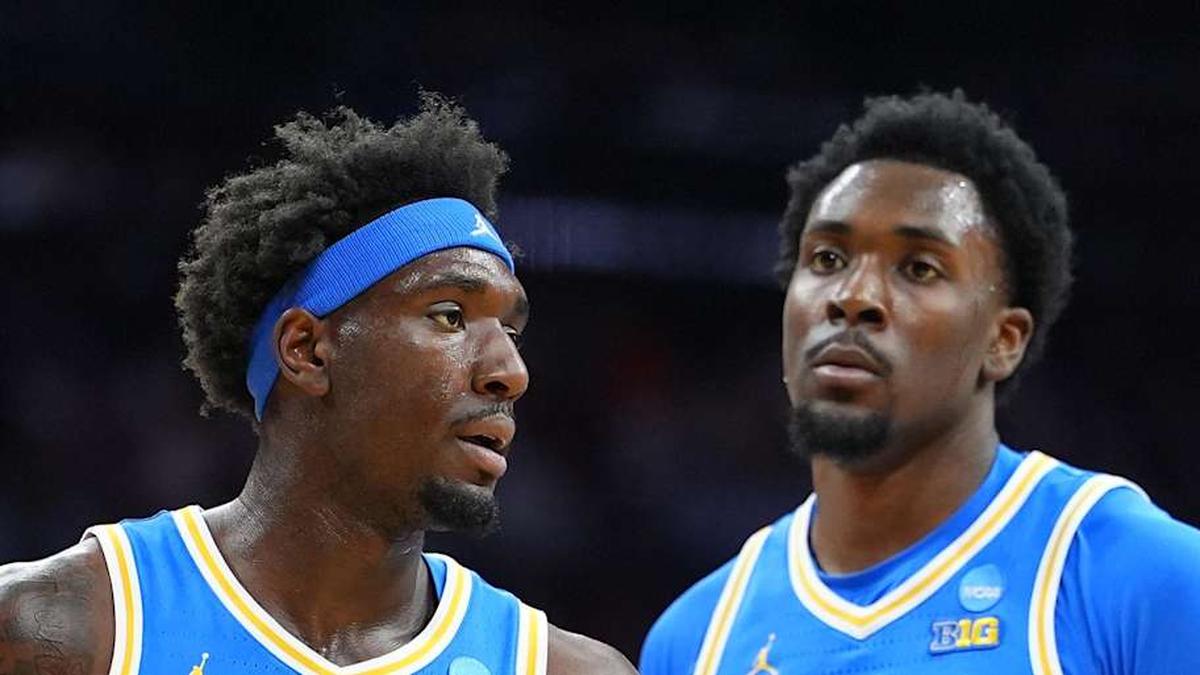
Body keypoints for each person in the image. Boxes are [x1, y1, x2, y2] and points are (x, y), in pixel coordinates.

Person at [0, 94, 636, 675]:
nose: (511, 372)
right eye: (450, 316)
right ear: (306, 350)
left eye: (513, 332)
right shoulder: (64, 629)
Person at [640, 91, 1200, 674]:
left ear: (1003, 340)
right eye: (828, 259)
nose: (853, 297)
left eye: (919, 268)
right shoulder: (696, 638)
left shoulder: (1134, 577)